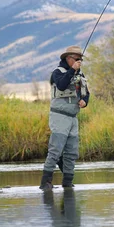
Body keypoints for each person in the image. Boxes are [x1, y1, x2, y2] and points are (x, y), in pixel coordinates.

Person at [39, 45, 90, 190]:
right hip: (59, 117)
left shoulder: (81, 75)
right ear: (68, 58)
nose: (79, 61)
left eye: (80, 59)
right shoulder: (57, 72)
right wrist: (72, 70)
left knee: (72, 152)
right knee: (55, 150)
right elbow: (61, 85)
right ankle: (46, 182)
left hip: (73, 118)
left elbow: (87, 94)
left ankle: (67, 182)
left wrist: (84, 101)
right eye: (76, 59)